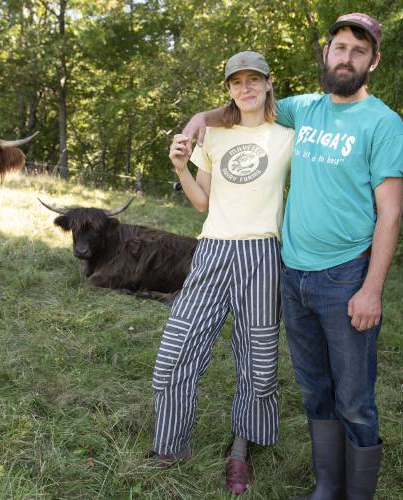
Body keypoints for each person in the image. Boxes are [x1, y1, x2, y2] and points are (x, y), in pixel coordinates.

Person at [182, 13, 403, 500]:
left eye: (358, 50)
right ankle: (327, 484)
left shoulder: (384, 124)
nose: (346, 57)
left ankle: (359, 493)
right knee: (313, 389)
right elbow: (244, 103)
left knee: (353, 397)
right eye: (339, 48)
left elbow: (389, 215)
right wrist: (198, 120)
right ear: (325, 54)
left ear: (374, 60)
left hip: (346, 276)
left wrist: (371, 289)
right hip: (292, 274)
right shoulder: (303, 109)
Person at [149, 51, 294, 496]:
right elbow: (201, 203)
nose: (245, 88)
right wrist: (179, 165)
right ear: (228, 89)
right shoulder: (214, 137)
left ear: (269, 83)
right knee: (176, 350)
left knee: (259, 362)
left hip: (264, 253)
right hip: (212, 251)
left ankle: (240, 450)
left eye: (254, 79)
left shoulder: (289, 135)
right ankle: (171, 446)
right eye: (236, 82)